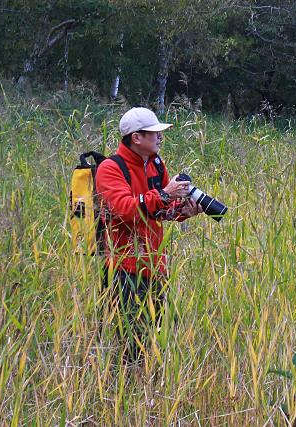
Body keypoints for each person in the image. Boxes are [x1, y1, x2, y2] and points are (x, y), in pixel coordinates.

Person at [95, 107, 202, 360]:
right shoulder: (110, 168)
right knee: (127, 342)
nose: (159, 138)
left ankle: (145, 388)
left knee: (152, 336)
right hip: (123, 267)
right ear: (136, 137)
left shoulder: (155, 164)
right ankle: (119, 389)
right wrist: (166, 193)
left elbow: (160, 211)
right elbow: (125, 210)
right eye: (153, 133)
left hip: (155, 266)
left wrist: (185, 210)